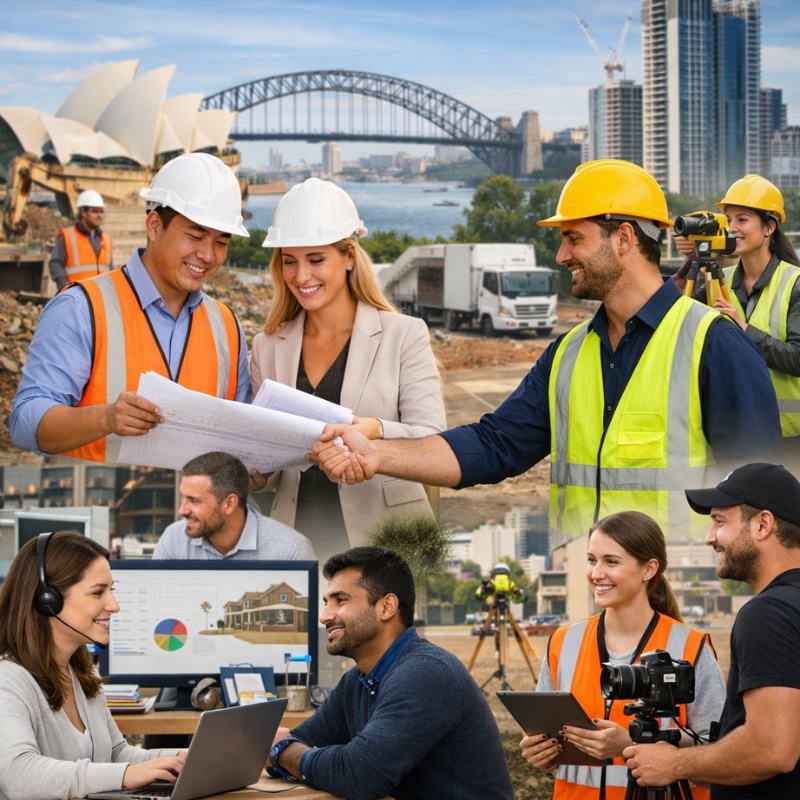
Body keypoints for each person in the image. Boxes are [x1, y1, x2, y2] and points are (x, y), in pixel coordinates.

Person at [313, 159, 784, 541]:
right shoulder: (568, 355)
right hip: (588, 598)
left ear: (623, 238)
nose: (561, 256)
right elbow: (493, 446)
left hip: (681, 603)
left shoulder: (715, 345)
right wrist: (376, 453)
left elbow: (762, 501)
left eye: (574, 238)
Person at [250, 178, 446, 565]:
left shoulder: (403, 335)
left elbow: (434, 443)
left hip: (388, 541)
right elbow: (270, 467)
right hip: (298, 542)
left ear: (350, 256)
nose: (300, 276)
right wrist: (255, 474)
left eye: (316, 259)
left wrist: (373, 430)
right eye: (289, 261)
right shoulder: (267, 345)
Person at [10, 152, 252, 464]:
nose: (207, 255)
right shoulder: (79, 309)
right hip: (98, 503)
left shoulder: (227, 326)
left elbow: (241, 433)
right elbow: (24, 425)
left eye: (221, 242)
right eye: (195, 235)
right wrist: (106, 419)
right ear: (154, 225)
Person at [266, 546, 514, 800]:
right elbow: (296, 740)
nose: (324, 616)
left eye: (340, 600)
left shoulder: (425, 674)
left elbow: (359, 775)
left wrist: (283, 752)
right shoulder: (357, 681)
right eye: (326, 603)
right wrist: (284, 749)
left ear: (386, 607)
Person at [520, 510, 725, 800]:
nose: (596, 573)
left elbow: (720, 751)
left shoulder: (691, 647)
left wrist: (630, 744)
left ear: (649, 569)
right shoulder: (563, 642)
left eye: (611, 561)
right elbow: (544, 734)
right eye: (591, 560)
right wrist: (540, 752)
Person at [623, 463, 800, 798]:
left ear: (763, 524)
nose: (709, 537)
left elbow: (772, 749)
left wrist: (674, 764)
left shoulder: (769, 614)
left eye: (720, 521)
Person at [0, 531, 184, 800]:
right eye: (98, 592)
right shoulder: (8, 679)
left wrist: (182, 758)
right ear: (47, 600)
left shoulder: (81, 671)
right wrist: (123, 775)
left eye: (112, 590)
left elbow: (116, 754)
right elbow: (18, 775)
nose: (114, 605)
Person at [680, 175, 800, 466]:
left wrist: (744, 330)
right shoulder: (720, 280)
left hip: (789, 439)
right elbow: (677, 322)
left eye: (742, 220)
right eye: (728, 219)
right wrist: (691, 261)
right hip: (733, 432)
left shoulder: (794, 283)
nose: (732, 228)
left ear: (769, 227)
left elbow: (798, 359)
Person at [152, 451, 316, 561]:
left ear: (229, 504)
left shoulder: (291, 550)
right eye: (183, 498)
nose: (182, 511)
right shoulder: (173, 539)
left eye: (194, 501)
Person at [48, 189, 114, 291]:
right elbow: (55, 263)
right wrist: (64, 286)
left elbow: (110, 270)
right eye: (95, 211)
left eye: (101, 211)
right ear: (83, 212)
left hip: (101, 296)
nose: (99, 215)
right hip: (77, 296)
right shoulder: (68, 236)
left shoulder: (106, 239)